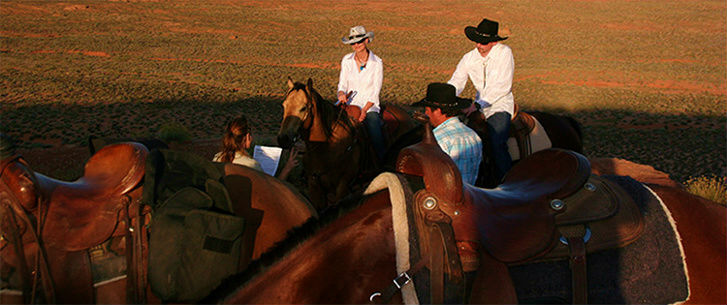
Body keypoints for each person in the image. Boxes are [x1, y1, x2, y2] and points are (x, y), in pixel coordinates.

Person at [448, 18, 514, 182]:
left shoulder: (504, 53)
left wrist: (478, 104)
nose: (479, 46)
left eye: (483, 43)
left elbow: (502, 86)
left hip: (499, 104)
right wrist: (446, 97)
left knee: (497, 142)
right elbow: (457, 81)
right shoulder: (469, 58)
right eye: (477, 41)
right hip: (477, 106)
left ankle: (506, 182)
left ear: (493, 42)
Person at [412, 83, 482, 185]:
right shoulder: (474, 136)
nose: (426, 114)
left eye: (427, 110)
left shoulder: (436, 139)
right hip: (470, 196)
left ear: (438, 111)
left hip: (444, 197)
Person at [337, 25, 386, 160]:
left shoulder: (377, 63)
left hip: (369, 105)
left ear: (366, 41)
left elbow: (375, 91)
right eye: (353, 42)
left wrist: (364, 110)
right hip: (349, 102)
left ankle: (381, 160)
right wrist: (341, 94)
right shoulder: (346, 60)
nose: (356, 45)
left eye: (359, 41)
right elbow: (342, 84)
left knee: (373, 125)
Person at [213, 116, 298, 180]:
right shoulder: (252, 165)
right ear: (247, 137)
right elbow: (270, 192)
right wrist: (288, 167)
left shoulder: (217, 158)